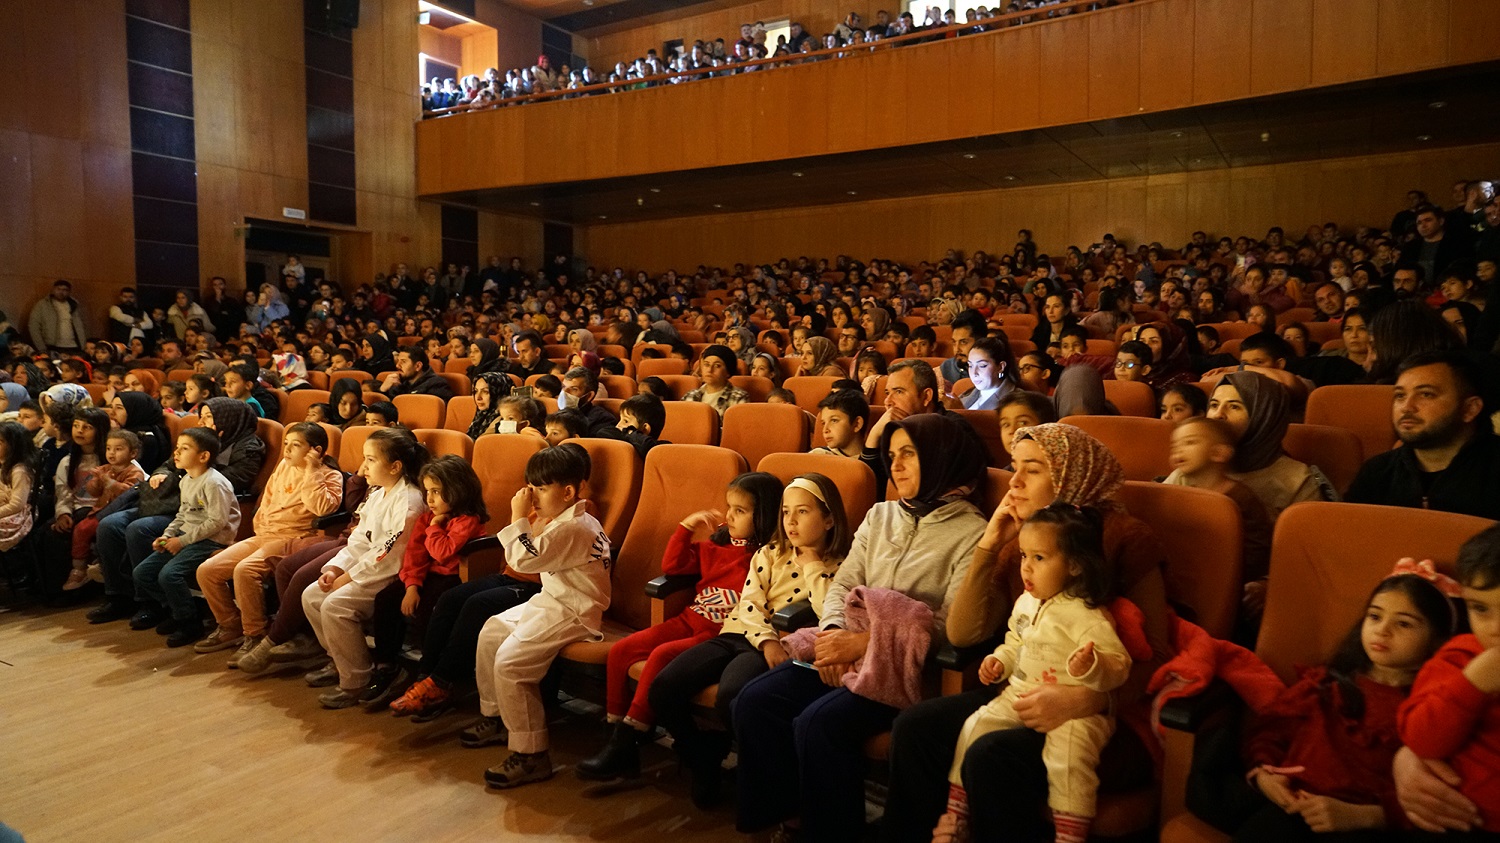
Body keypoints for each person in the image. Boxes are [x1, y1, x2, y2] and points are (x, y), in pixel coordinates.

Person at [883, 423, 1170, 843]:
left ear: (1070, 474)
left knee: (990, 755)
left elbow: (1158, 655)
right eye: (1013, 467)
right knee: (915, 728)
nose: (1013, 482)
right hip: (1028, 685)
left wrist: (1090, 697)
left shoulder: (1126, 536)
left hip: (1104, 712)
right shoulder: (1026, 537)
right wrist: (989, 544)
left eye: (1031, 470)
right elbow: (964, 635)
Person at [735, 414, 989, 841]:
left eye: (910, 454)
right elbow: (845, 583)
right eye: (892, 456)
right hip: (846, 645)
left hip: (904, 667)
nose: (897, 465)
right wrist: (834, 633)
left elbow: (947, 624)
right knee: (756, 700)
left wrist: (862, 644)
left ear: (941, 458)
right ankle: (790, 816)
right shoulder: (881, 515)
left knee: (817, 724)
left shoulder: (972, 532)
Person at [1206, 564, 1460, 841]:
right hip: (1291, 808)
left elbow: (1436, 796)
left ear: (1436, 640)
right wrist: (1266, 774)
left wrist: (1364, 816)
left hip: (1363, 823)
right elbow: (1271, 731)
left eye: (1404, 623)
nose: (1383, 630)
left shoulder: (1434, 708)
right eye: (1375, 617)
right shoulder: (1326, 683)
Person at [647, 473, 845, 808]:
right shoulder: (770, 552)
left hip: (777, 643)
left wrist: (812, 566)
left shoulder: (839, 565)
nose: (791, 522)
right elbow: (749, 601)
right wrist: (766, 639)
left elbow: (831, 612)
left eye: (803, 512)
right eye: (785, 513)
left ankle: (756, 774)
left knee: (731, 695)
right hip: (742, 634)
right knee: (663, 686)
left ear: (828, 519)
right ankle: (702, 757)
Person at [939, 505, 1133, 843]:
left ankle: (1070, 834)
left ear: (1074, 565)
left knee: (1068, 758)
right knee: (975, 727)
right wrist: (1001, 660)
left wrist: (1092, 666)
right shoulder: (1027, 603)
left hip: (1076, 710)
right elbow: (1016, 641)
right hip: (1020, 693)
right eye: (1024, 556)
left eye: (1040, 558)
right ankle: (957, 813)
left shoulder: (1087, 614)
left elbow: (1119, 663)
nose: (1026, 567)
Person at [577, 471, 781, 781]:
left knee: (660, 656)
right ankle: (618, 736)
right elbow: (673, 566)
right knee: (621, 650)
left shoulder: (764, 556)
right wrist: (686, 527)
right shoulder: (715, 547)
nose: (730, 515)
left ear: (763, 514)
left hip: (716, 633)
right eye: (729, 507)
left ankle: (630, 737)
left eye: (741, 510)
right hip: (688, 619)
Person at [468, 443, 612, 788]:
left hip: (576, 611)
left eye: (542, 489)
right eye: (531, 487)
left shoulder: (576, 527)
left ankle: (532, 753)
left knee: (510, 664)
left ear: (568, 491)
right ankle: (498, 717)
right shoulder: (562, 518)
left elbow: (524, 561)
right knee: (491, 632)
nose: (532, 496)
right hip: (553, 601)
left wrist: (518, 516)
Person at [86, 397, 266, 624]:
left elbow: (237, 479)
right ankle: (119, 596)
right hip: (172, 501)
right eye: (202, 415)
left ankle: (151, 603)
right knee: (109, 525)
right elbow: (168, 463)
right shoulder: (194, 439)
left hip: (199, 510)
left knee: (138, 529)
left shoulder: (247, 447)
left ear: (228, 419)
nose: (202, 421)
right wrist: (163, 473)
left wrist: (187, 474)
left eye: (209, 417)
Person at [191, 423, 344, 665]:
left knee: (245, 570)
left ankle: (255, 633)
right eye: (286, 444)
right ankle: (230, 627)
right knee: (208, 570)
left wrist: (312, 469)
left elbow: (323, 508)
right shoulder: (283, 465)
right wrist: (260, 527)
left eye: (296, 445)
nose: (288, 450)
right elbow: (268, 500)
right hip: (265, 534)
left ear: (316, 450)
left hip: (294, 538)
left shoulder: (329, 474)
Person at [301, 427, 426, 708]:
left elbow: (390, 554)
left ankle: (356, 680)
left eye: (371, 460)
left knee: (335, 606)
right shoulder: (379, 493)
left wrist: (349, 577)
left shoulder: (409, 502)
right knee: (311, 595)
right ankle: (340, 660)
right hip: (367, 570)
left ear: (395, 467)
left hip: (390, 575)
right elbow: (359, 539)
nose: (363, 467)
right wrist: (335, 569)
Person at [356, 455, 488, 706]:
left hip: (452, 579)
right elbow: (415, 554)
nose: (429, 499)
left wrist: (436, 526)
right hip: (425, 576)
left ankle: (429, 675)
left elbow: (442, 551)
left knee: (431, 612)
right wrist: (411, 586)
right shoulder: (428, 518)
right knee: (386, 599)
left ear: (458, 489)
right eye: (427, 491)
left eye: (437, 492)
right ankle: (387, 664)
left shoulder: (467, 520)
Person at [1399, 524, 1500, 835]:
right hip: (1458, 822)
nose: (1496, 628)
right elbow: (1422, 740)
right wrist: (1473, 683)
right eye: (1480, 608)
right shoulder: (1460, 658)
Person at [131, 428, 241, 648]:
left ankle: (190, 623)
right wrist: (167, 535)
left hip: (213, 538)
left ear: (203, 456)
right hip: (188, 535)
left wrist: (181, 541)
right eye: (177, 447)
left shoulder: (214, 483)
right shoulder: (186, 480)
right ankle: (179, 608)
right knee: (142, 573)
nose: (177, 453)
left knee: (169, 575)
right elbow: (183, 514)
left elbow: (216, 522)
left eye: (185, 448)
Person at [1162, 417, 1273, 629]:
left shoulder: (1241, 498)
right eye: (1175, 445)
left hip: (1228, 587)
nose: (1179, 451)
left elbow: (1256, 551)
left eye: (1190, 442)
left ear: (1219, 453)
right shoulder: (1180, 492)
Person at [1205, 371, 1335, 521]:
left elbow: (1305, 541)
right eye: (1214, 405)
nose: (1217, 415)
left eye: (1234, 407)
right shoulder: (1194, 464)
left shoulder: (1296, 480)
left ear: (1264, 416)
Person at [62, 429, 145, 591]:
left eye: (118, 449)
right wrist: (96, 481)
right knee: (80, 528)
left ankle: (93, 566)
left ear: (133, 453)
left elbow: (128, 493)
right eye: (108, 448)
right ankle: (80, 566)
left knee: (86, 529)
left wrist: (108, 481)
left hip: (120, 512)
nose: (112, 453)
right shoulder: (106, 469)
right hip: (101, 509)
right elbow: (93, 492)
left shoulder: (134, 472)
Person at [860, 359, 945, 495]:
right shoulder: (892, 427)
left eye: (899, 392)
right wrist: (874, 435)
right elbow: (868, 489)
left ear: (926, 396)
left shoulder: (953, 429)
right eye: (887, 393)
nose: (887, 402)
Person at [996, 390, 1059, 471]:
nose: (1012, 430)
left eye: (1023, 423)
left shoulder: (1054, 471)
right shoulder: (1004, 474)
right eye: (1006, 424)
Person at [0, 421, 37, 554]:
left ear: (13, 447)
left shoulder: (19, 471)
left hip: (16, 517)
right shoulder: (4, 465)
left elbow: (17, 504)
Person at [681, 344, 749, 417]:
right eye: (706, 365)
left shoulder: (738, 397)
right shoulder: (690, 395)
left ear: (728, 372)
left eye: (717, 366)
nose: (710, 370)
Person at [956, 336, 1017, 410]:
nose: (974, 373)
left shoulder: (1015, 401)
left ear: (1000, 367)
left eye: (982, 366)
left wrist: (958, 410)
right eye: (970, 365)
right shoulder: (966, 394)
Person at [28, 280, 88, 355]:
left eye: (65, 290)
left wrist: (83, 345)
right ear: (53, 290)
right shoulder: (42, 305)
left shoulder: (74, 305)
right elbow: (34, 327)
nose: (61, 292)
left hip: (74, 346)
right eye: (58, 289)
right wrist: (42, 348)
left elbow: (82, 326)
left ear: (69, 292)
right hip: (52, 346)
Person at [810, 387, 869, 458]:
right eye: (823, 423)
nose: (825, 430)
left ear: (857, 424)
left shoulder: (877, 460)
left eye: (834, 420)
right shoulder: (818, 455)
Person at [378, 347, 455, 401]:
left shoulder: (437, 384)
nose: (397, 365)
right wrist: (383, 390)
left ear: (418, 366)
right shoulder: (399, 383)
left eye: (403, 361)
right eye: (398, 361)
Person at [559, 366, 617, 437]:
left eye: (574, 389)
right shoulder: (555, 413)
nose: (564, 392)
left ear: (589, 396)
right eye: (563, 387)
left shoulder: (602, 420)